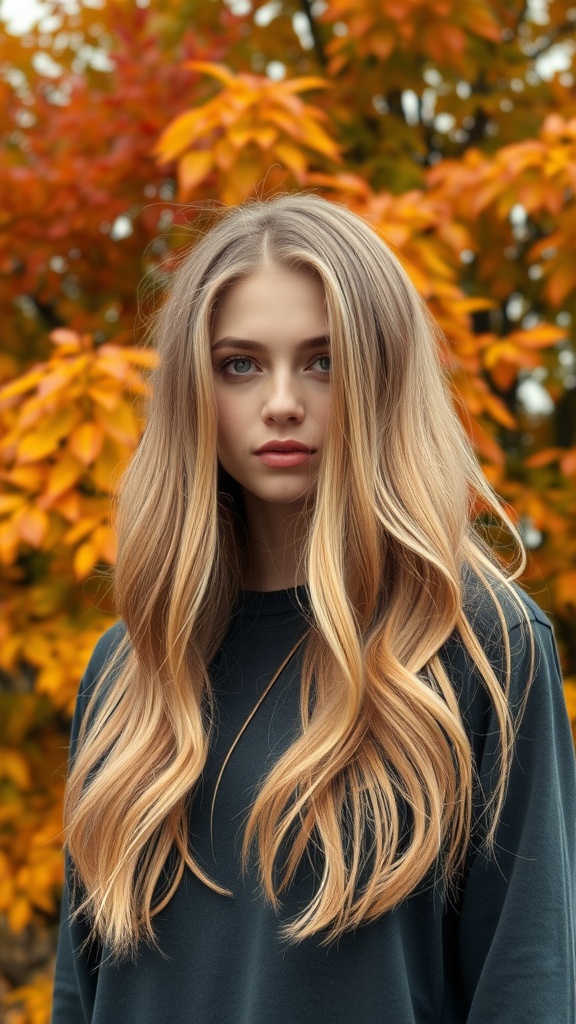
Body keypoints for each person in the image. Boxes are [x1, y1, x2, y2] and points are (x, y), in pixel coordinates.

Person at [52, 194, 575, 1024]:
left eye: (323, 361)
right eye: (241, 364)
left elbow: (527, 987)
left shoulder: (479, 646)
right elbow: (81, 990)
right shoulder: (130, 665)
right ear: (196, 386)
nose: (284, 401)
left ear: (381, 375)